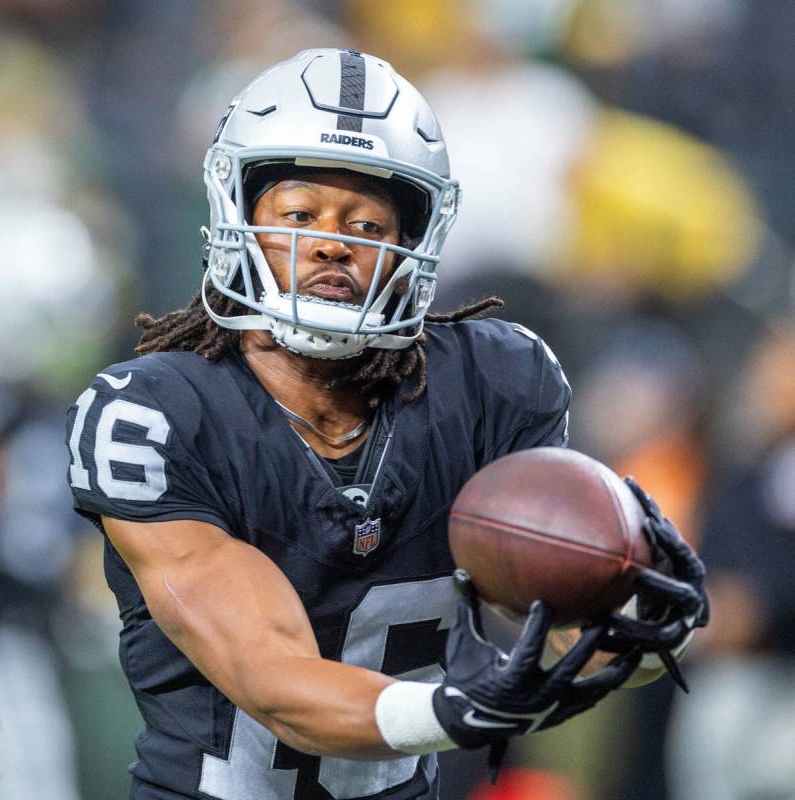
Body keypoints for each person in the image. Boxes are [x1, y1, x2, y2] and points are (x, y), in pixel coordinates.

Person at [65, 49, 707, 800]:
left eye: (366, 222)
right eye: (300, 215)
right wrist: (459, 708)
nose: (335, 243)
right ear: (237, 216)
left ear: (415, 241)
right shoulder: (153, 412)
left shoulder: (496, 381)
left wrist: (627, 612)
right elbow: (273, 680)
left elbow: (557, 625)